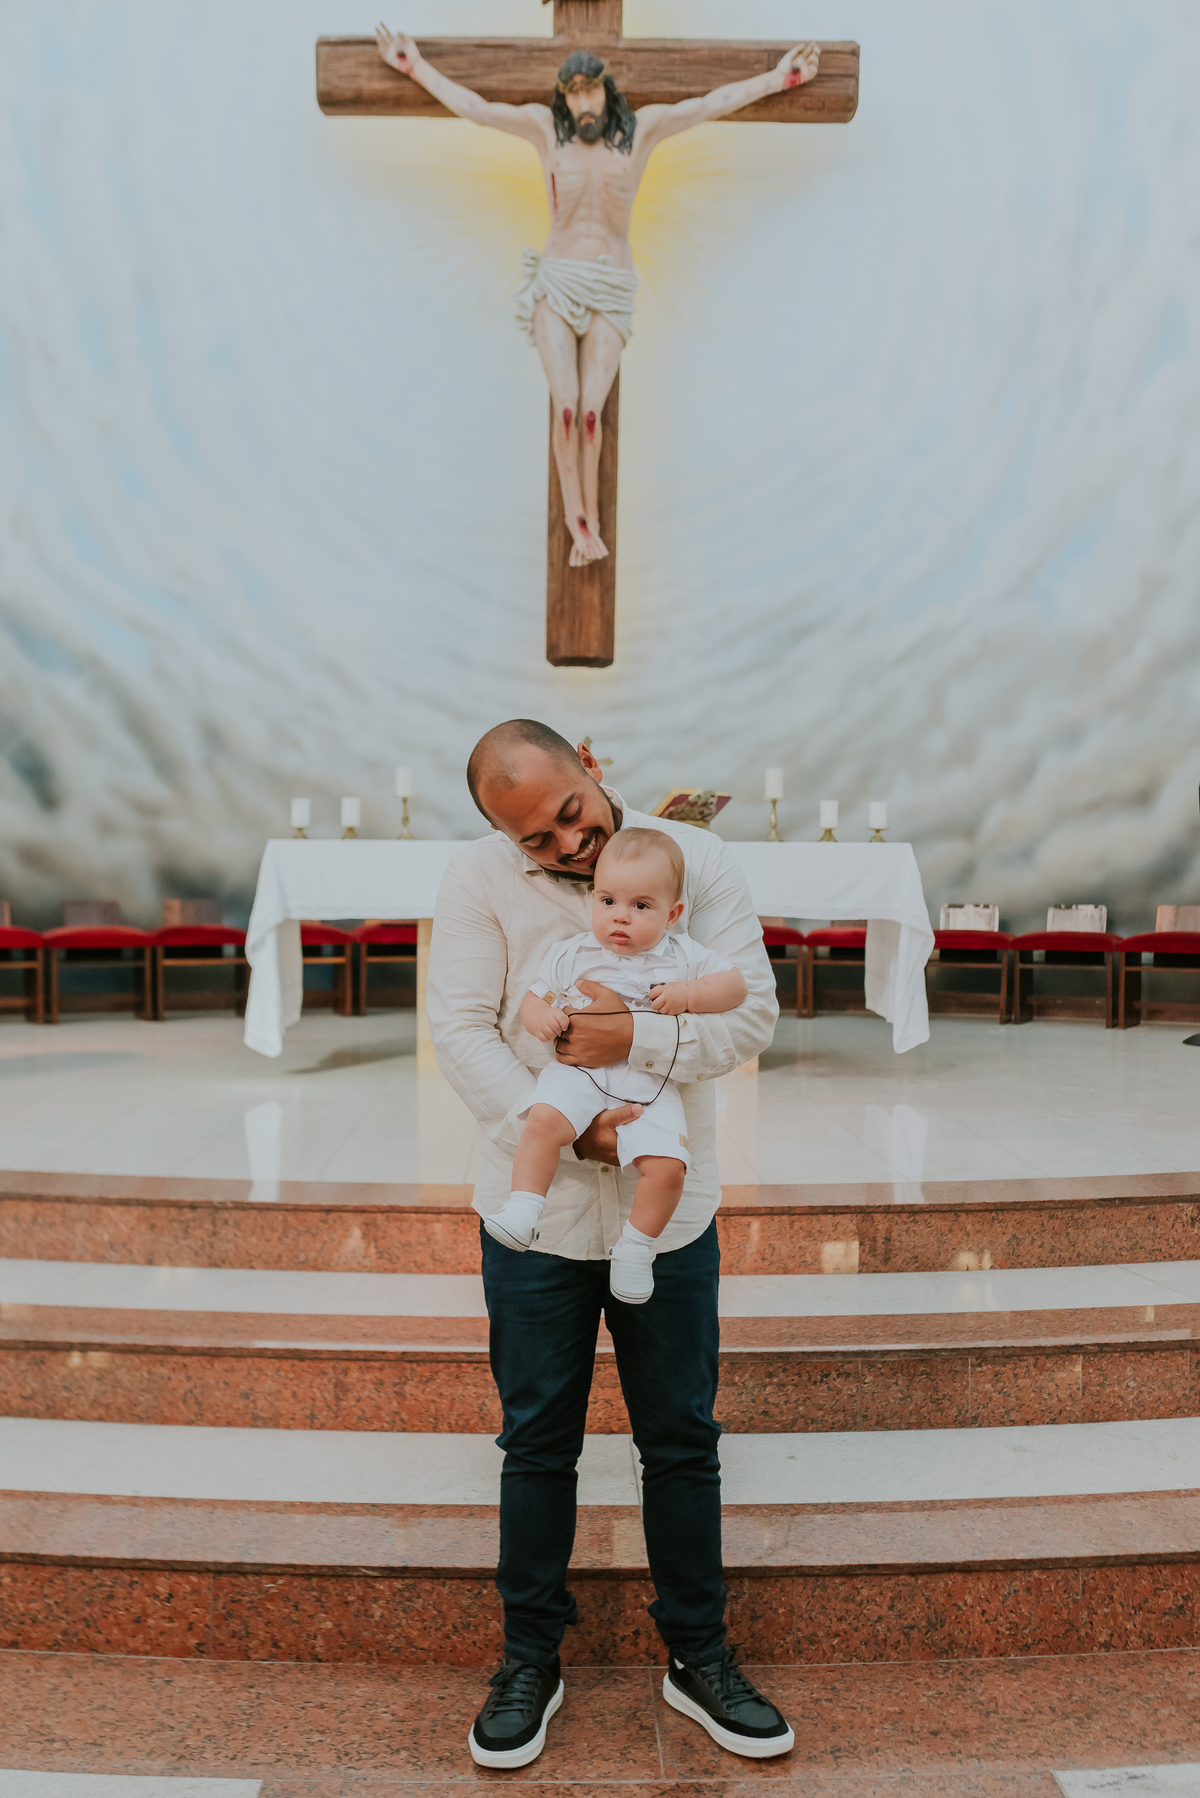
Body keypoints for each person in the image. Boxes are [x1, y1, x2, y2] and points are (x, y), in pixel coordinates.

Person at [426, 720, 792, 1770]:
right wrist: (567, 1130)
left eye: (571, 814)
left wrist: (634, 1035)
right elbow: (461, 1027)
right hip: (533, 1208)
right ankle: (528, 1659)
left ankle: (699, 1655)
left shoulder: (698, 862)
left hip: (665, 1211)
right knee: (537, 1439)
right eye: (536, 840)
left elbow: (750, 1015)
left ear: (592, 768)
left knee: (680, 1437)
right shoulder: (477, 879)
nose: (567, 847)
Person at [374, 26, 820, 567]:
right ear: (564, 98)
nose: (584, 104)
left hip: (610, 286)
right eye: (574, 94)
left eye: (591, 91)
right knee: (565, 408)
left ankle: (593, 524)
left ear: (607, 91)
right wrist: (414, 66)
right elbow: (479, 110)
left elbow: (708, 105)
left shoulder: (642, 131)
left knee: (590, 413)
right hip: (558, 281)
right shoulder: (546, 131)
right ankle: (577, 520)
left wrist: (780, 79)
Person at [488, 827, 747, 1304]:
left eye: (641, 906)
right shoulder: (573, 951)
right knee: (542, 1121)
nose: (620, 916)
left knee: (669, 1167)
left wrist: (689, 993)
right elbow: (534, 997)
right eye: (608, 901)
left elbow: (735, 987)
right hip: (578, 1072)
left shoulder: (682, 954)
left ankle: (636, 1247)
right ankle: (524, 1206)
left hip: (647, 1083)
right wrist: (541, 1017)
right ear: (594, 899)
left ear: (672, 914)